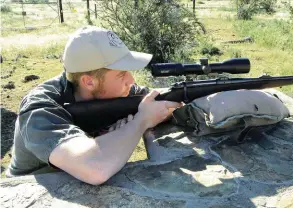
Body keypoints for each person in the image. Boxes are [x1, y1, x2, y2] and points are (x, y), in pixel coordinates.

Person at [6, 26, 182, 185]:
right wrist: (141, 121)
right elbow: (95, 169)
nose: (131, 81)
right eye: (121, 75)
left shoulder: (118, 90)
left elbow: (158, 100)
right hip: (30, 190)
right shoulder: (40, 108)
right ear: (88, 82)